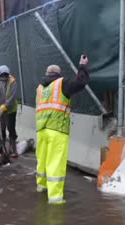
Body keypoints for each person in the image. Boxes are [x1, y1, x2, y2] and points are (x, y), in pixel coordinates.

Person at [35, 55, 90, 204]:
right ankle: (55, 198)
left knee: (43, 160)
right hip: (56, 130)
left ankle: (41, 186)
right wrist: (82, 66)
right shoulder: (61, 84)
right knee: (55, 163)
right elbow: (80, 82)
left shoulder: (40, 88)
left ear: (47, 75)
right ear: (58, 75)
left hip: (41, 130)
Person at [0, 65, 19, 158]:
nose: (3, 78)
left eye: (5, 76)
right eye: (2, 76)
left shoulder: (12, 82)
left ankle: (12, 149)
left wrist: (4, 107)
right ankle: (0, 148)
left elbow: (11, 98)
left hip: (10, 109)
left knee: (11, 128)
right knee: (0, 129)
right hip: (0, 108)